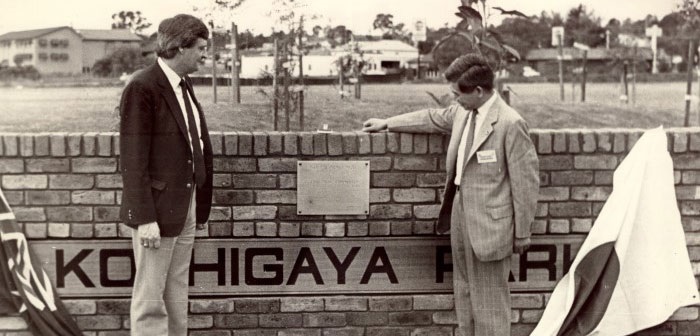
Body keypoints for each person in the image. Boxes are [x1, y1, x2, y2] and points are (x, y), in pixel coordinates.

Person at [362, 54, 539, 336]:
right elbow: (431, 118)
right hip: (459, 214)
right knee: (465, 292)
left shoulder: (510, 123)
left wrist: (522, 233)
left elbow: (526, 183)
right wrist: (388, 123)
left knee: (491, 301)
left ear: (479, 91)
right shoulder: (463, 113)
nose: (454, 99)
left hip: (491, 226)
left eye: (458, 94)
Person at [118, 14, 213, 336]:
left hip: (185, 206)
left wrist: (199, 208)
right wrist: (144, 217)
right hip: (156, 212)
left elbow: (193, 143)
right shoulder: (143, 86)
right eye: (201, 47)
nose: (205, 54)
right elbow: (132, 159)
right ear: (180, 46)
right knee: (150, 299)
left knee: (175, 292)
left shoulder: (183, 85)